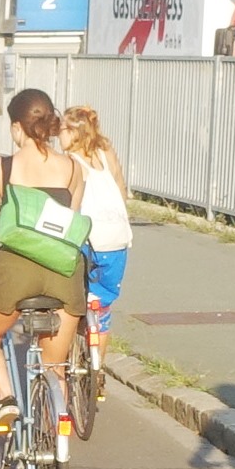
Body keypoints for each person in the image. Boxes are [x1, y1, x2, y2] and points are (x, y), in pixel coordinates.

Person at [0, 88, 88, 433]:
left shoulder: (3, 167)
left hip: (15, 271)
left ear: (17, 128)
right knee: (54, 368)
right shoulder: (73, 169)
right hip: (64, 272)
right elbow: (69, 224)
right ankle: (54, 452)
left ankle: (7, 399)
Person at [60, 106, 132, 327]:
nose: (58, 134)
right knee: (102, 307)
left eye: (62, 128)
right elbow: (120, 186)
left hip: (90, 241)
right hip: (118, 238)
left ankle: (65, 352)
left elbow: (66, 203)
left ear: (74, 132)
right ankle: (97, 359)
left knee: (70, 300)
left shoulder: (69, 161)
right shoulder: (105, 151)